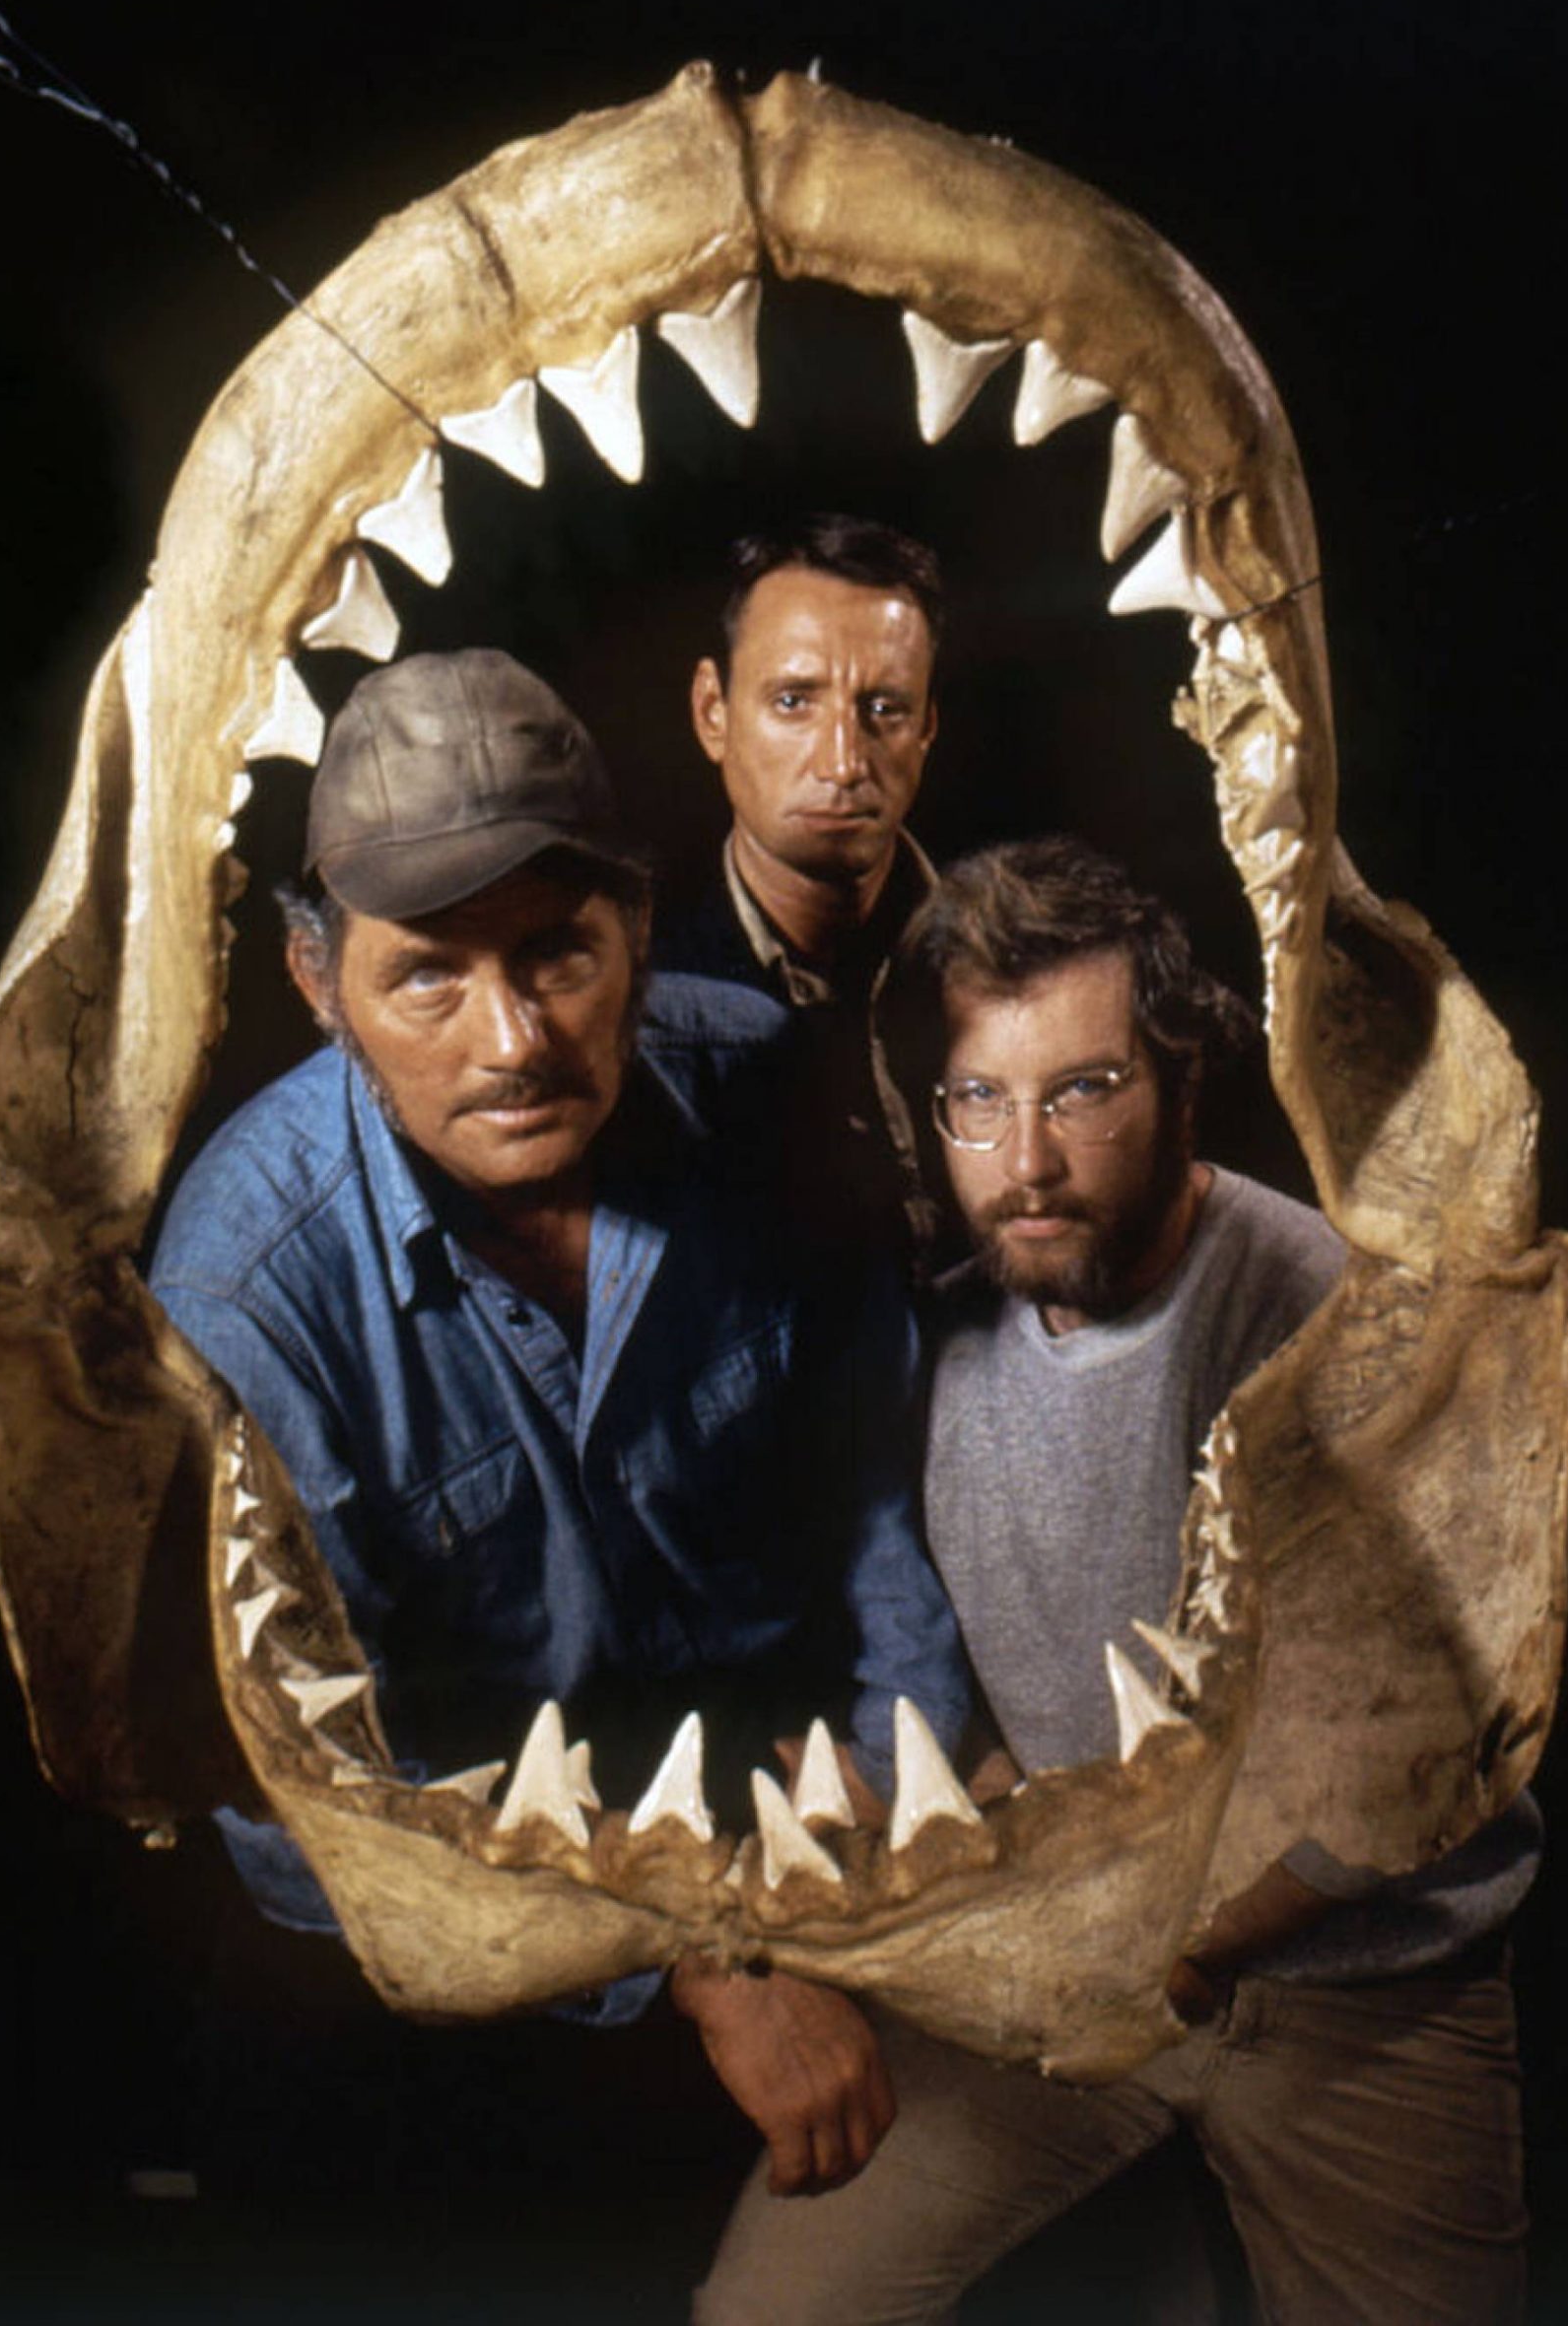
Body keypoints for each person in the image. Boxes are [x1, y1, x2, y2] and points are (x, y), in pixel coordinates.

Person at [149, 647, 971, 2197]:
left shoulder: (764, 1089)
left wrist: (885, 1792)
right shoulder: (247, 1288)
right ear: (321, 987)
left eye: (556, 958)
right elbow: (305, 1801)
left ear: (638, 933)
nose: (514, 1041)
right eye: (427, 978)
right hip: (449, 1915)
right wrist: (693, 1960)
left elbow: (887, 1506)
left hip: (784, 1813)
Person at [697, 837, 1538, 2323]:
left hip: (1358, 1983)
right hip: (1068, 1948)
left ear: (1180, 1084)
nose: (1024, 1161)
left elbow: (1408, 1758)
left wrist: (1157, 1950)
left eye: (1083, 1090)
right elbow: (957, 1690)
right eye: (979, 1100)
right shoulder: (938, 1341)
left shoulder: (1330, 1327)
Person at [655, 513, 944, 1266]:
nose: (843, 763)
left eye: (884, 709)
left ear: (926, 728)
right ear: (712, 713)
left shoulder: (1018, 963)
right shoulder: (636, 1001)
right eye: (793, 702)